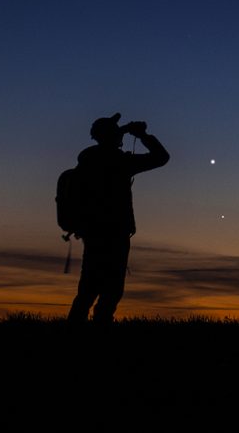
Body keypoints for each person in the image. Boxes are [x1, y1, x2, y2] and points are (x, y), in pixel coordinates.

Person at [68, 113, 170, 323]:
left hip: (93, 232)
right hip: (114, 232)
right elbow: (161, 157)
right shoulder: (118, 161)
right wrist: (142, 135)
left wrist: (121, 130)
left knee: (89, 286)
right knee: (111, 289)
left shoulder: (87, 159)